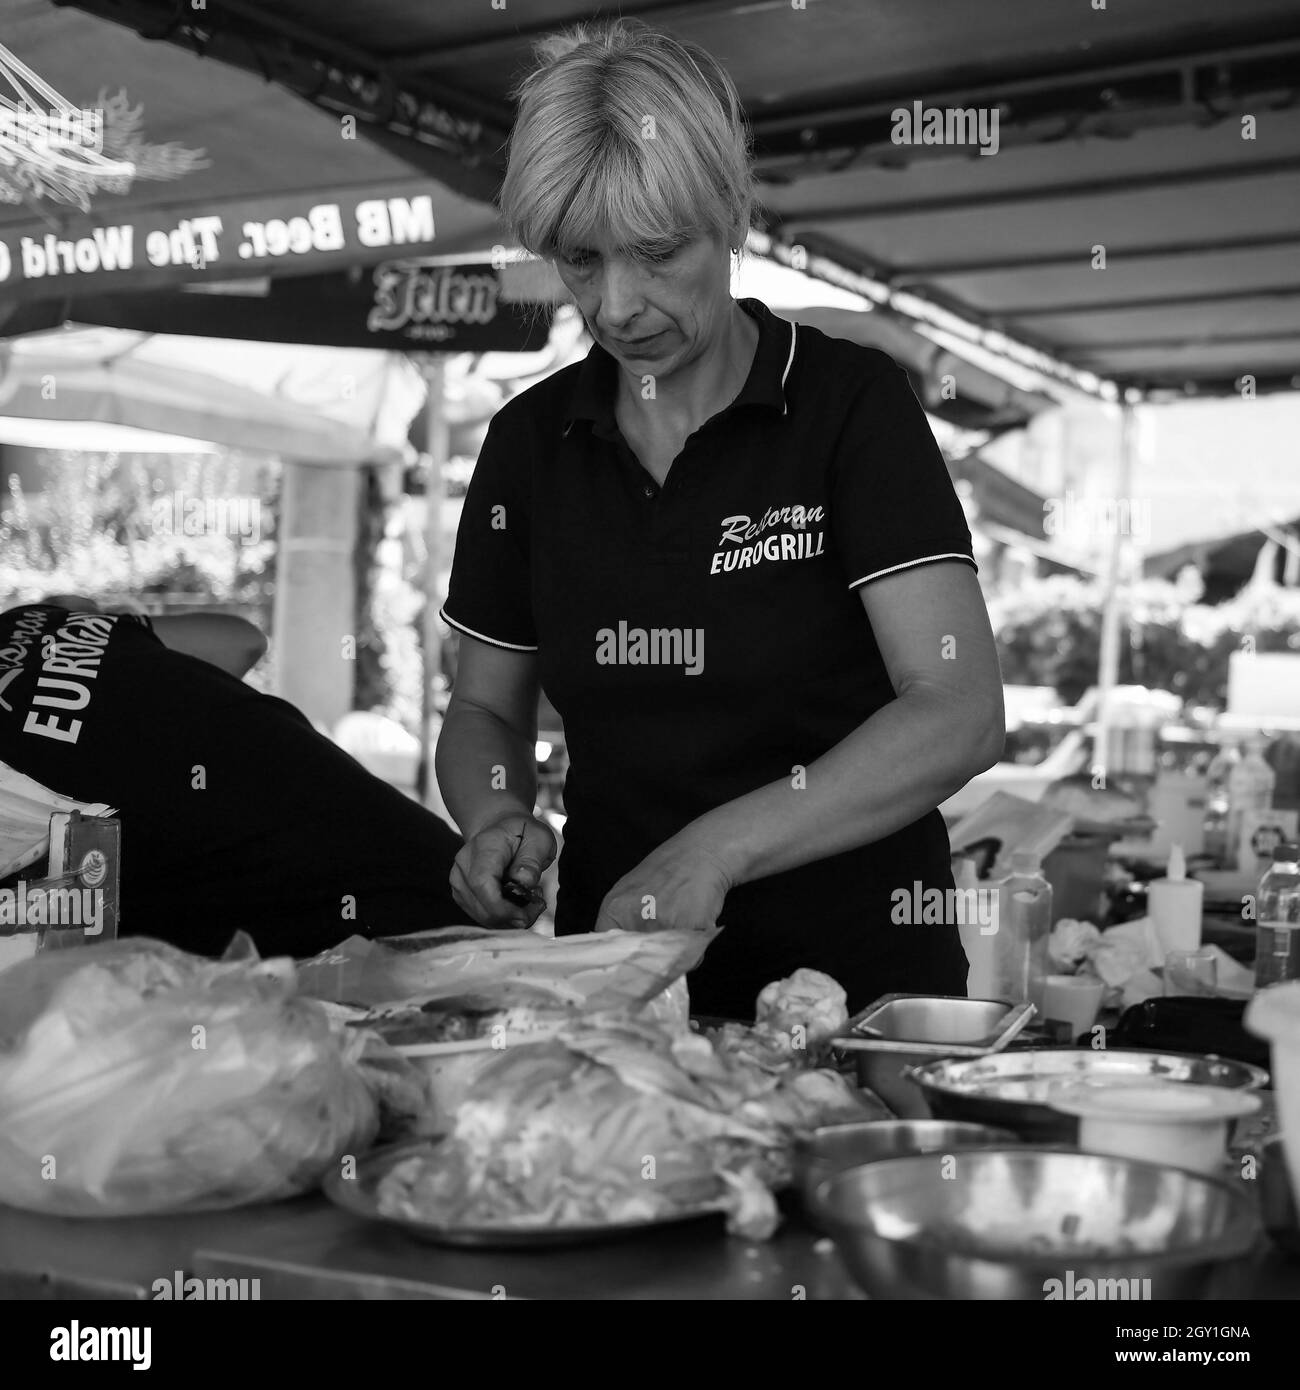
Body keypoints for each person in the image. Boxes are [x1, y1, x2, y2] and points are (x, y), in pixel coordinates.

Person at [435, 20, 1005, 1019]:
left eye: (657, 254)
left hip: (859, 996)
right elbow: (484, 709)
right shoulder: (529, 442)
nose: (618, 306)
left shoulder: (846, 407)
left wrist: (709, 853)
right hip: (620, 992)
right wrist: (493, 813)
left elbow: (956, 710)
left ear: (731, 213)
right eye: (580, 261)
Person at [0, 595, 465, 958]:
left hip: (348, 961)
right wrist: (101, 620)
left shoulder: (30, 626)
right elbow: (240, 642)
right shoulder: (30, 627)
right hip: (424, 869)